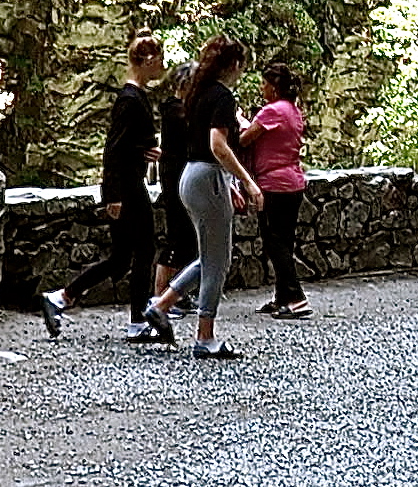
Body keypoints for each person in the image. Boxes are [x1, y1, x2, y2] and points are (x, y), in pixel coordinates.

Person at [142, 36, 264, 358]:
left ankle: (162, 304)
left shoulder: (197, 94)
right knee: (217, 262)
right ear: (234, 64)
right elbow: (218, 146)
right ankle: (204, 337)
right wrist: (247, 182)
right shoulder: (222, 96)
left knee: (211, 256)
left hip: (189, 176)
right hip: (207, 177)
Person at [39, 33, 165, 340]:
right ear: (147, 61)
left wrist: (146, 152)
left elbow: (131, 146)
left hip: (130, 184)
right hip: (127, 188)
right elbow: (113, 150)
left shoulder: (137, 97)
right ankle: (137, 321)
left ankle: (61, 298)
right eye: (159, 60)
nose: (162, 66)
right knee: (144, 250)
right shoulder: (129, 100)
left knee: (122, 258)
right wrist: (113, 195)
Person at [240, 63, 311, 320]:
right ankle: (282, 296)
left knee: (274, 242)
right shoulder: (293, 111)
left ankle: (295, 297)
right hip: (294, 182)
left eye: (264, 84)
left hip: (274, 184)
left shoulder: (271, 112)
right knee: (285, 241)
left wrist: (238, 122)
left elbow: (244, 139)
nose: (261, 88)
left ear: (273, 87)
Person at [151, 59, 199, 308]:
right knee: (176, 237)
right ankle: (160, 294)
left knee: (188, 238)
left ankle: (177, 293)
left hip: (182, 176)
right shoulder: (174, 109)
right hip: (175, 178)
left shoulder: (182, 109)